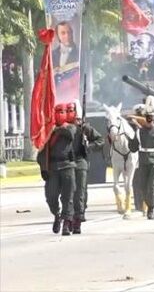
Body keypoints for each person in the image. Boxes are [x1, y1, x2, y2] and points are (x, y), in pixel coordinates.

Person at [37, 104, 77, 236]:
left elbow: (70, 134)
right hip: (53, 168)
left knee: (68, 197)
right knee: (50, 196)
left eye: (62, 112)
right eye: (57, 112)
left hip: (67, 166)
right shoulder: (48, 132)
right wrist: (43, 168)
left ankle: (66, 223)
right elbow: (41, 154)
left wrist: (56, 129)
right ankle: (57, 215)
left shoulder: (71, 126)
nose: (60, 114)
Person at [67, 100, 102, 234]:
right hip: (67, 163)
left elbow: (100, 140)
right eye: (74, 118)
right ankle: (68, 218)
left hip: (81, 162)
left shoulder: (85, 129)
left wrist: (88, 146)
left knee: (80, 192)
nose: (76, 121)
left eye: (78, 118)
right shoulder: (64, 128)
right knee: (67, 193)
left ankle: (78, 219)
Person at [129, 99, 154, 220]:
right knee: (143, 186)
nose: (150, 119)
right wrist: (131, 137)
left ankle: (151, 209)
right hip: (143, 161)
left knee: (152, 185)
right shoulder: (139, 132)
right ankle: (148, 204)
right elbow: (133, 148)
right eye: (148, 116)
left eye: (151, 117)